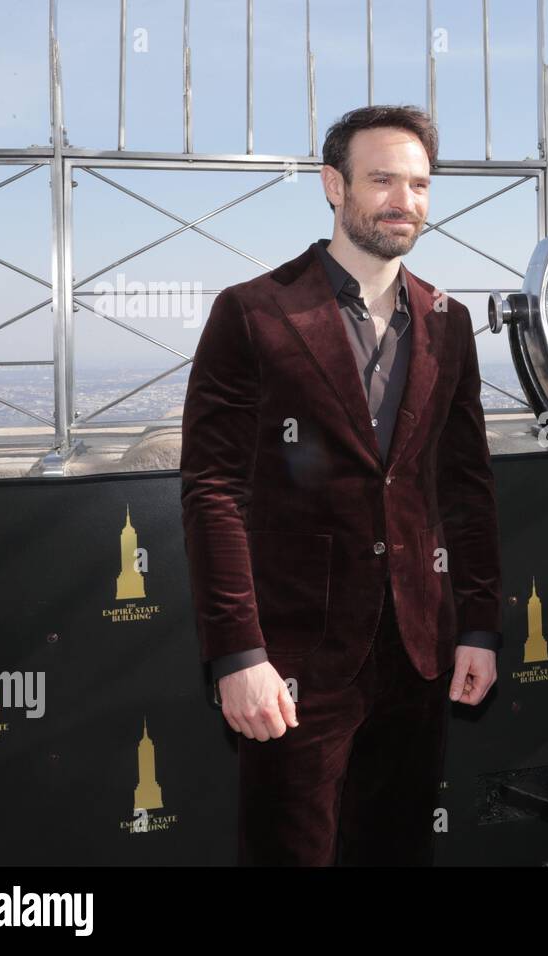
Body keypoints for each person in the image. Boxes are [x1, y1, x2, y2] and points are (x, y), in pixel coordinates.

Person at [180, 105, 502, 866]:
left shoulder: (448, 321)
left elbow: (465, 486)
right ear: (334, 185)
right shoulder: (253, 313)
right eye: (383, 179)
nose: (405, 200)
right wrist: (237, 655)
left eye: (420, 183)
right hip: (293, 663)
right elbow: (214, 492)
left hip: (419, 653)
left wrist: (481, 625)